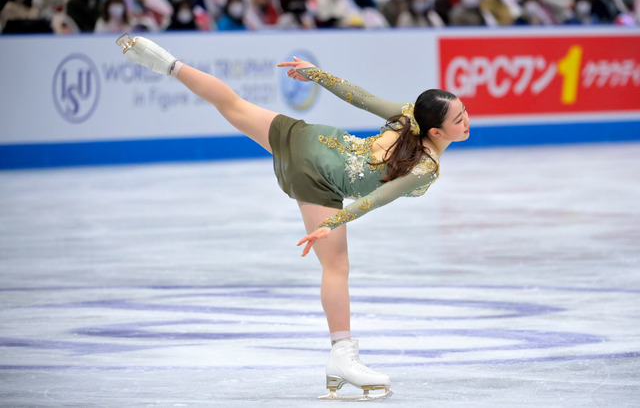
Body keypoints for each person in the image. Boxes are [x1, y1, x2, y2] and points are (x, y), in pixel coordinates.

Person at [115, 33, 470, 400]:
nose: (467, 121)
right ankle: (341, 355)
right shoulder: (426, 164)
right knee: (336, 268)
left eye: (465, 113)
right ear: (435, 131)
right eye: (459, 118)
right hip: (318, 176)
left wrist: (318, 75)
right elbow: (380, 196)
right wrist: (331, 223)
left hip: (312, 139)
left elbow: (361, 98)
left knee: (233, 105)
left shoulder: (409, 116)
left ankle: (165, 62)